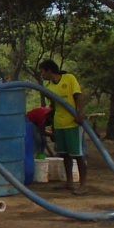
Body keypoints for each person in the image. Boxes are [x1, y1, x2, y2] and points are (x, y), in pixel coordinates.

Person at [38, 59, 87, 194]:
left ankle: (83, 185)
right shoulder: (49, 88)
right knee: (65, 155)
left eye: (42, 71)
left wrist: (80, 113)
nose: (42, 75)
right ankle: (69, 182)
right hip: (60, 124)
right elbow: (53, 107)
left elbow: (79, 96)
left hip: (73, 123)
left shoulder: (69, 78)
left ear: (49, 70)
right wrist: (52, 126)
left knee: (78, 154)